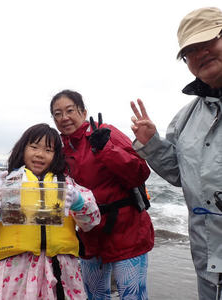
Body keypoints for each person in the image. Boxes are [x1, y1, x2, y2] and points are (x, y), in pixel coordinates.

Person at [130, 6, 222, 300]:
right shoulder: (184, 120)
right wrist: (152, 144)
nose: (201, 53)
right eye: (191, 50)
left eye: (209, 42)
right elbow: (181, 176)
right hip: (209, 262)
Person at [0, 123, 101, 300]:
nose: (40, 154)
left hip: (61, 271)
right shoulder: (3, 182)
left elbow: (92, 221)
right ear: (23, 149)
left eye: (48, 149)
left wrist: (78, 202)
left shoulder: (68, 185)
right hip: (13, 271)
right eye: (34, 147)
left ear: (56, 156)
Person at [50, 90, 154, 300]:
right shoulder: (59, 149)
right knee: (94, 296)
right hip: (90, 236)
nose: (64, 118)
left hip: (128, 232)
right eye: (57, 114)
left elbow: (140, 173)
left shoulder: (106, 132)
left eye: (70, 110)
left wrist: (105, 148)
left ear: (83, 111)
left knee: (133, 296)